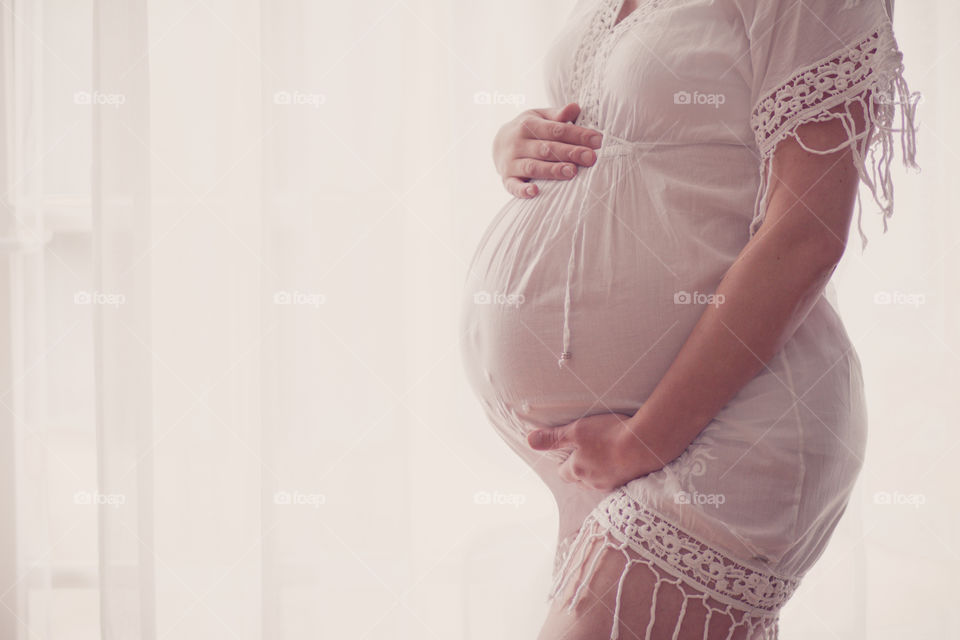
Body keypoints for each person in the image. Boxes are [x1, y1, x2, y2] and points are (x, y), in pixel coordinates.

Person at [458, 0, 919, 637]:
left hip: (729, 426)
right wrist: (517, 141)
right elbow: (641, 135)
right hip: (614, 452)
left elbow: (808, 228)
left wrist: (646, 438)